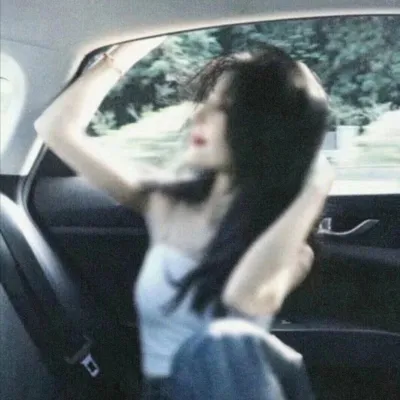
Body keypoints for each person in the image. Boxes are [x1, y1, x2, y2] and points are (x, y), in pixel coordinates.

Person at [34, 36, 335, 399]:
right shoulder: (171, 203)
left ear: (263, 133)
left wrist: (313, 181)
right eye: (206, 102)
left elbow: (241, 297)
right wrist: (130, 48)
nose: (198, 115)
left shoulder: (294, 252)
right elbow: (56, 128)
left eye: (223, 107)